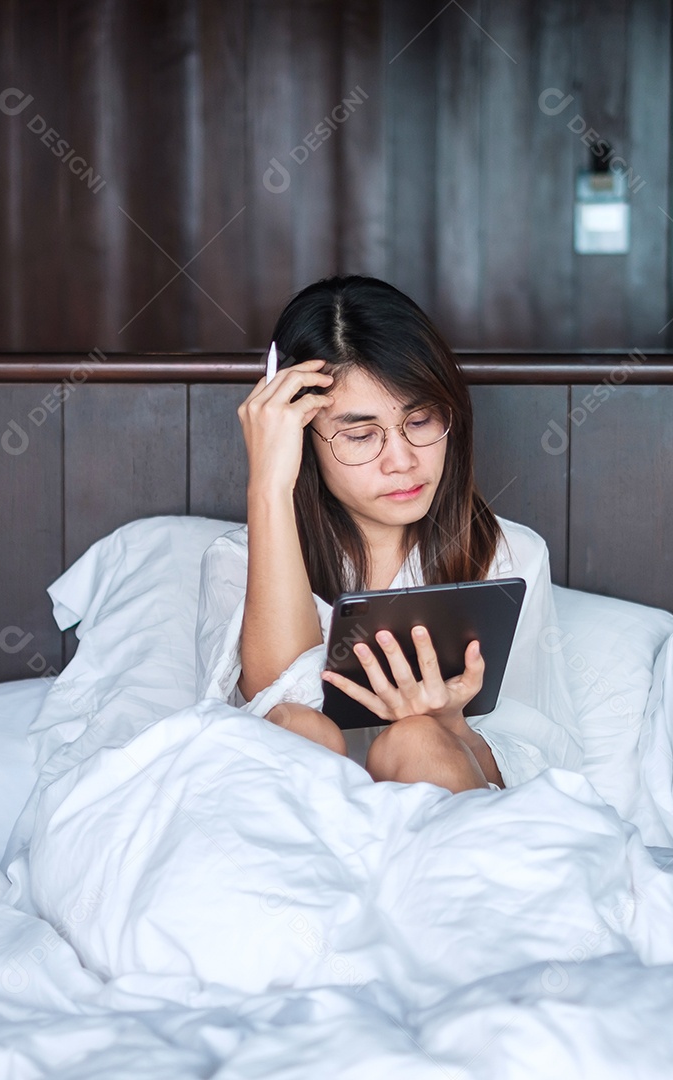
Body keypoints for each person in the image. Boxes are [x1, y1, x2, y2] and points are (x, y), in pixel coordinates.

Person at [195, 275, 581, 793]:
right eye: (359, 436)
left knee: (416, 740)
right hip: (297, 827)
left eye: (420, 422)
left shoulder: (510, 555)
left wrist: (450, 726)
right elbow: (277, 711)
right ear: (299, 437)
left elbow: (542, 758)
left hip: (447, 818)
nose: (402, 462)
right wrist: (268, 485)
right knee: (302, 727)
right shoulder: (235, 561)